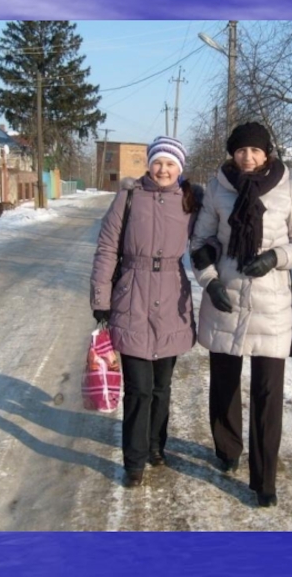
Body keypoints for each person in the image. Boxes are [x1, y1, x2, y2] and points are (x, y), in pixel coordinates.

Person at [190, 122, 292, 508]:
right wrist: (209, 281)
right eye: (241, 150)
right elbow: (200, 241)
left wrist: (276, 258)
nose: (248, 157)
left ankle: (264, 480)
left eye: (255, 150)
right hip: (226, 296)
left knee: (268, 393)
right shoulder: (218, 188)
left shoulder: (287, 187)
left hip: (272, 303)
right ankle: (227, 449)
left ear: (267, 153)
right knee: (224, 382)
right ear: (232, 152)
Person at [90, 135, 202, 488]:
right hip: (132, 297)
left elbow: (209, 240)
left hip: (172, 299)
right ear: (149, 164)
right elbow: (107, 248)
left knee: (161, 387)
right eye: (158, 162)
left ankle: (156, 445)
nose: (163, 169)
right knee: (139, 388)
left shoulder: (191, 201)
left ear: (179, 168)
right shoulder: (128, 196)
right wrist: (101, 299)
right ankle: (134, 461)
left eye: (170, 164)